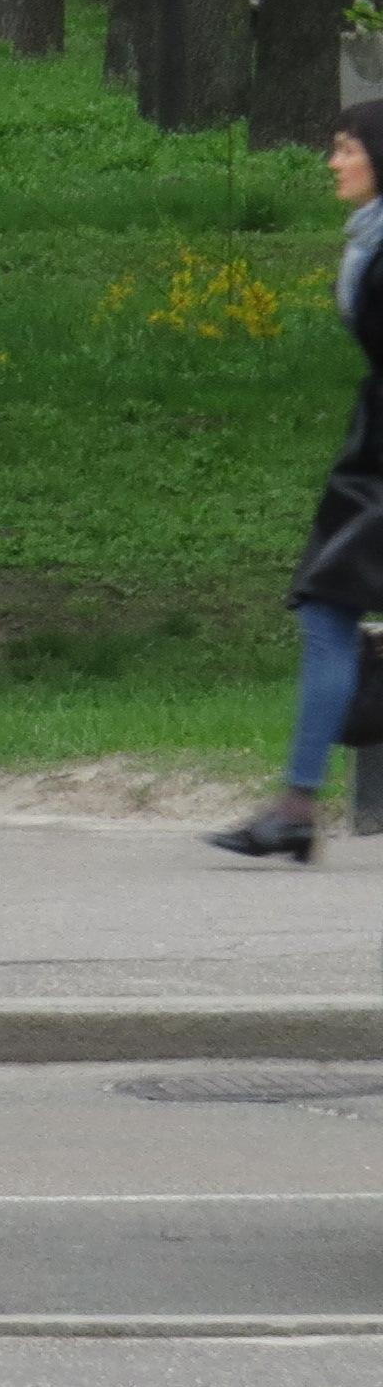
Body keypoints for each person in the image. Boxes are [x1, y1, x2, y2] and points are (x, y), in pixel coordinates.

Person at [214, 103, 383, 859]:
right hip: (369, 458)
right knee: (327, 613)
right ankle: (295, 807)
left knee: (326, 611)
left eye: (345, 149)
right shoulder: (370, 242)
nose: (333, 162)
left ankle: (296, 808)